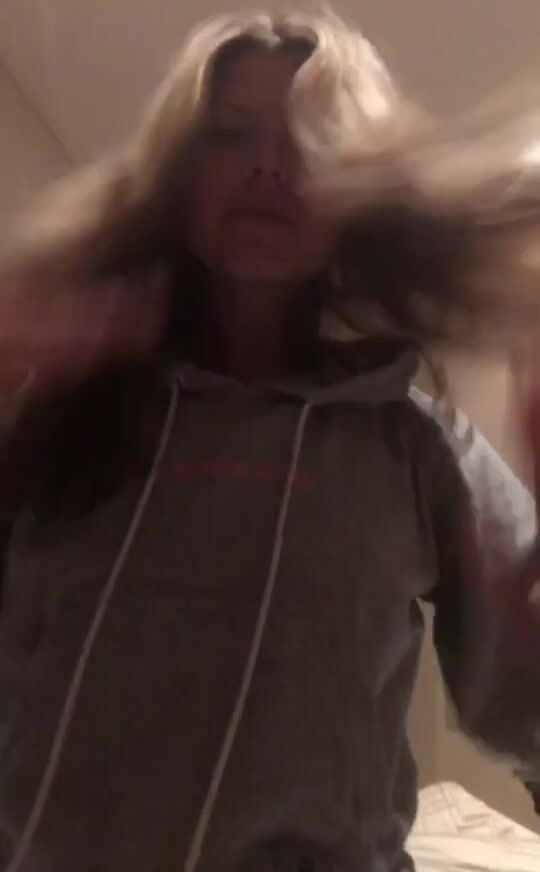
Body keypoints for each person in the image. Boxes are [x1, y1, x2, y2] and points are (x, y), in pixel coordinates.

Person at [0, 8, 539, 871]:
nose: (266, 163)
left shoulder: (422, 448)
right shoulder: (62, 407)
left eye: (310, 139)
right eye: (229, 134)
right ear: (177, 174)